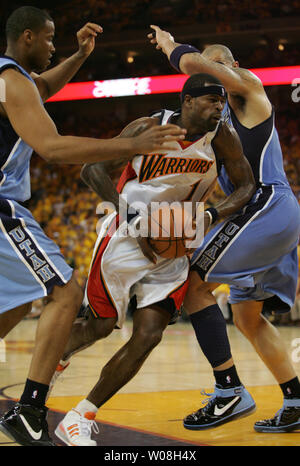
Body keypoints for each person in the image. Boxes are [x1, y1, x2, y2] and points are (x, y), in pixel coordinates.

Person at [0, 7, 185, 447]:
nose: (52, 47)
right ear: (26, 37)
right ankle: (28, 411)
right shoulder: (11, 81)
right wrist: (132, 144)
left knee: (13, 304)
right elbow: (52, 147)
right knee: (65, 292)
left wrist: (80, 56)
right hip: (3, 205)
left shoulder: (14, 80)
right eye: (48, 39)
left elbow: (43, 87)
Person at [51, 72, 256, 446]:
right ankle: (53, 363)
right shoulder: (150, 127)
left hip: (176, 245)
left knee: (149, 335)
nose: (219, 109)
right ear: (189, 101)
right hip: (125, 239)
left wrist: (210, 215)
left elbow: (246, 185)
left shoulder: (222, 138)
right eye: (213, 102)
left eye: (223, 103)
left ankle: (80, 416)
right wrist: (131, 220)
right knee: (100, 327)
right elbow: (91, 169)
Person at [147, 25, 300, 433]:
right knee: (248, 319)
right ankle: (297, 400)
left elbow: (196, 63)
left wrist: (169, 46)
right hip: (261, 217)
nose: (212, 73)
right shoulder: (217, 124)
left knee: (194, 284)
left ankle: (228, 391)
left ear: (234, 67)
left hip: (266, 205)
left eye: (219, 65)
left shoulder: (249, 88)